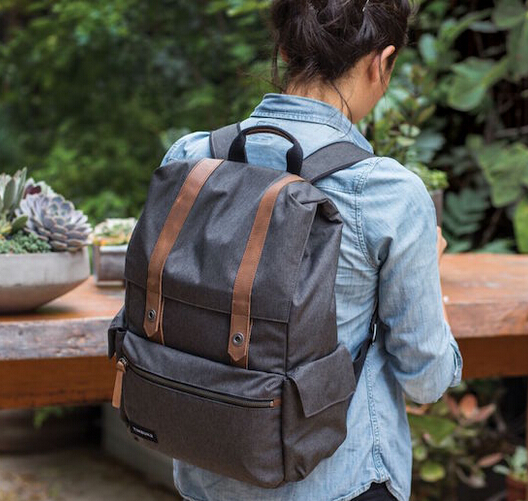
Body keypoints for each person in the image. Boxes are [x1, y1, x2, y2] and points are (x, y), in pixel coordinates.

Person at [161, 1, 463, 500]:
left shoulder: (191, 158)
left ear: (283, 50)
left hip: (209, 474)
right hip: (340, 482)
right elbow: (426, 380)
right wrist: (426, 266)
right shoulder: (385, 192)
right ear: (381, 63)